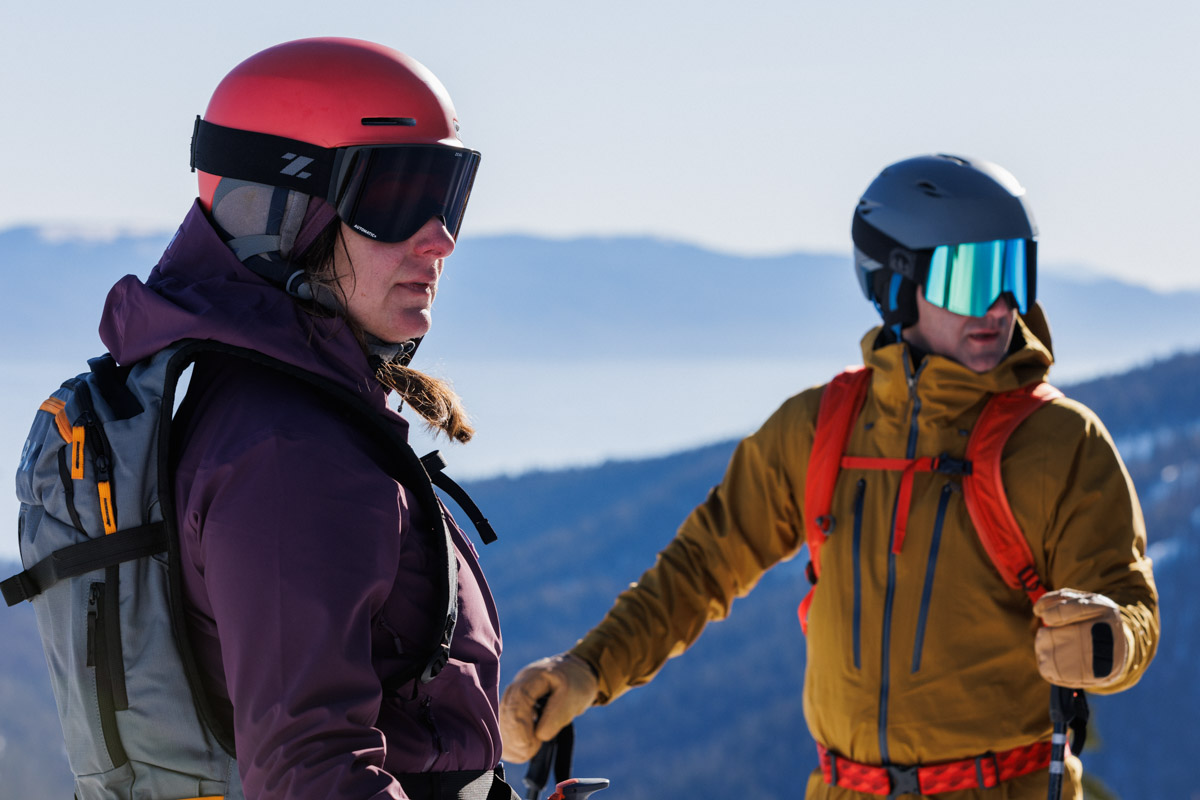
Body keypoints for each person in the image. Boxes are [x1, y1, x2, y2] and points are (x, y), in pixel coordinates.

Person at [498, 154, 1160, 799]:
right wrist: (587, 669)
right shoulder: (822, 428)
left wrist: (1108, 641)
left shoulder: (1060, 442)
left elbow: (1127, 604)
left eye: (1016, 271)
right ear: (897, 284)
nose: (1001, 304)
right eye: (972, 277)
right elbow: (699, 568)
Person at [98, 38, 519, 799]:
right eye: (395, 199)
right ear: (284, 213)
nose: (442, 238)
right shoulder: (288, 449)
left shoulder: (287, 406)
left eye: (448, 192)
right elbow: (310, 771)